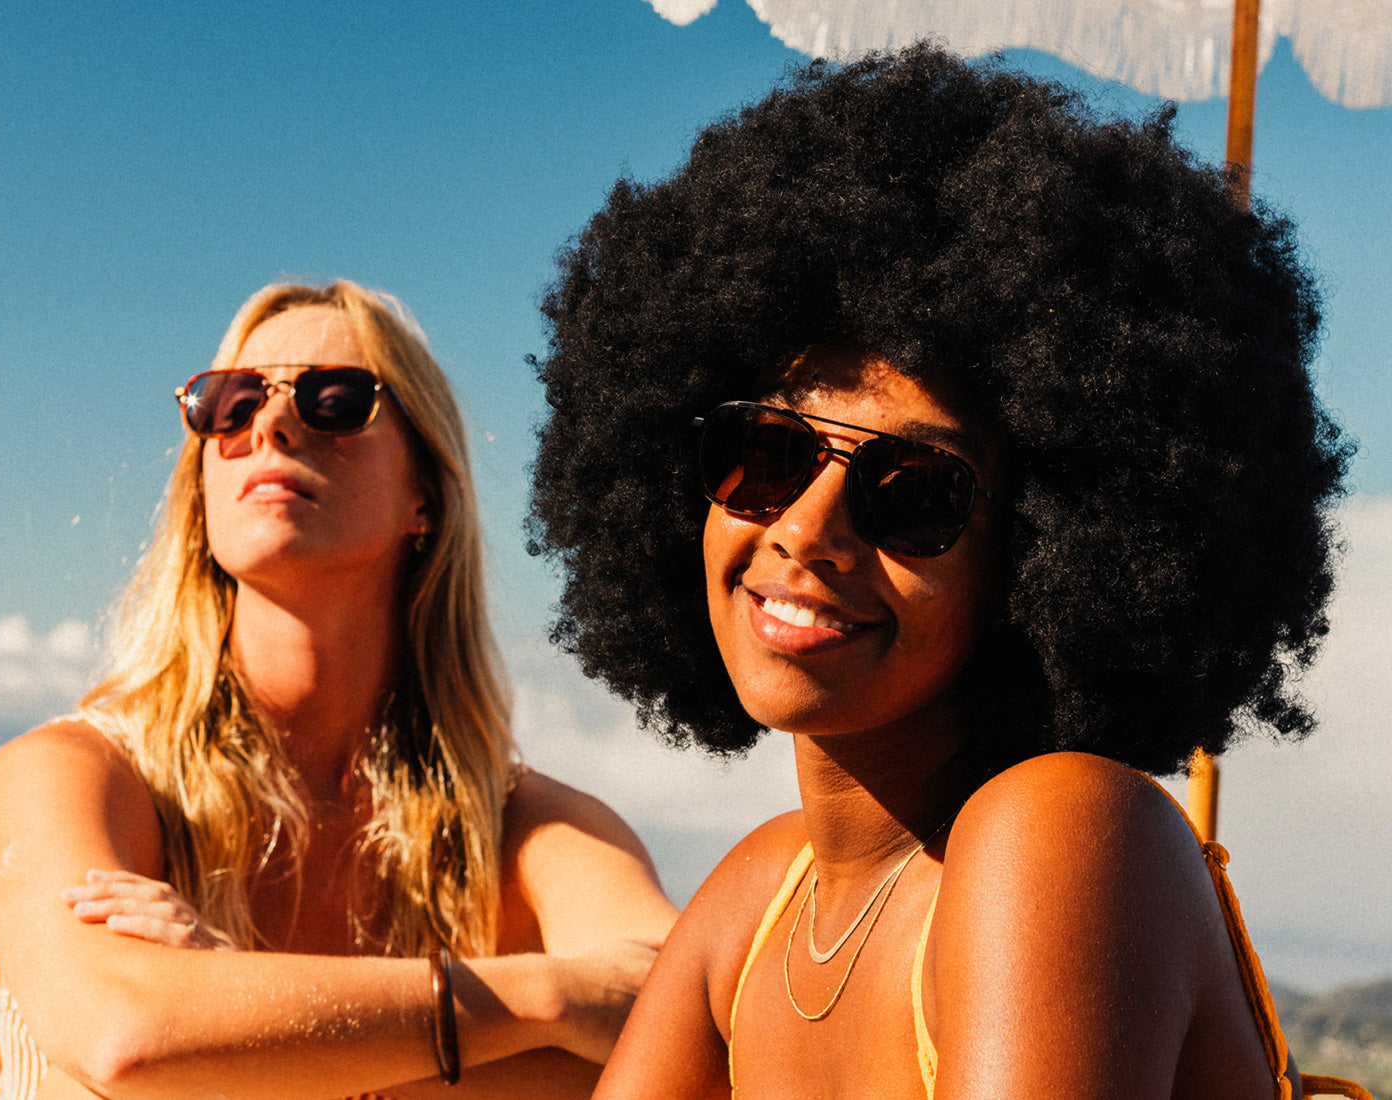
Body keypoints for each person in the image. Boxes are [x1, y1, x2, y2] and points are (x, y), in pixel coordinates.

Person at [527, 44, 1372, 1100]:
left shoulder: (1056, 831)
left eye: (912, 492)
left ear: (1041, 556)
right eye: (766, 453)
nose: (806, 527)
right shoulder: (753, 901)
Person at [0, 280, 678, 1098]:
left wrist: (234, 1015)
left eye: (334, 399)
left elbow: (701, 1038)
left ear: (424, 494)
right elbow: (124, 1034)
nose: (272, 425)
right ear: (201, 478)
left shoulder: (528, 832)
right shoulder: (74, 775)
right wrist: (550, 997)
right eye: (229, 404)